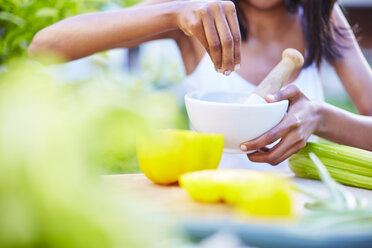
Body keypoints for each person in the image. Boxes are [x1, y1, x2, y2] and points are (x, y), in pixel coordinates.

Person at [29, 0, 372, 171]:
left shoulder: (320, 19)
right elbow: (45, 46)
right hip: (209, 209)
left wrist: (322, 117)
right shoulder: (196, 16)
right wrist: (171, 12)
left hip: (300, 213)